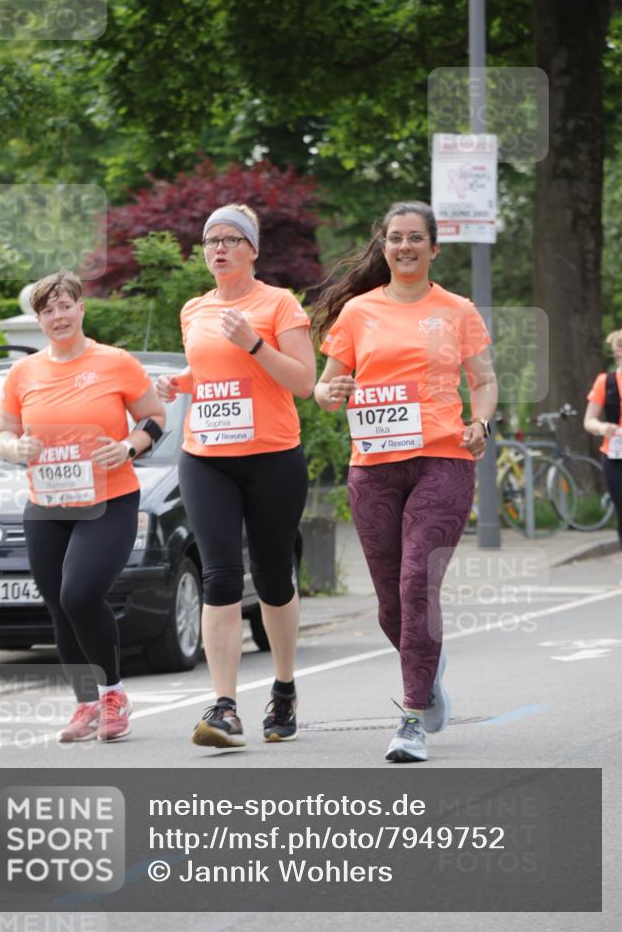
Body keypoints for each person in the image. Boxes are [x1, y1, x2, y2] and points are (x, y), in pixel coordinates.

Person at [313, 201, 497, 763]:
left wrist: (480, 422)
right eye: (396, 238)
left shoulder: (457, 309)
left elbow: (484, 380)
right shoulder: (358, 313)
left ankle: (411, 716)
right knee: (391, 605)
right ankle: (429, 666)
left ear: (434, 248)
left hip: (443, 459)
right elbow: (325, 388)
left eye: (416, 237)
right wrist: (331, 394)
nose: (405, 246)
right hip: (374, 468)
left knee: (417, 582)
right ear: (385, 246)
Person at [156, 203, 315, 749]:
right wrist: (177, 384)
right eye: (210, 240)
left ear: (253, 249)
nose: (218, 248)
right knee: (220, 575)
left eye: (230, 239)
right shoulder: (193, 309)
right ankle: (224, 707)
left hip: (273, 457)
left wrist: (253, 341)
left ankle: (285, 689)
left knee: (272, 578)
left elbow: (303, 382)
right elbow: (208, 373)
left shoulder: (279, 304)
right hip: (206, 458)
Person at [0, 271, 165, 742]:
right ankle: (86, 705)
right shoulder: (22, 372)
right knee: (58, 604)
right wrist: (14, 449)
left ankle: (113, 694)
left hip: (108, 498)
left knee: (80, 593)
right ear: (39, 320)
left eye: (65, 305)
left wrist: (129, 447)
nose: (58, 316)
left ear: (81, 309)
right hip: (47, 503)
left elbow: (154, 417)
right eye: (47, 310)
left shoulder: (115, 362)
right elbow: (3, 432)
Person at [584, 328, 622, 548]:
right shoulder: (605, 382)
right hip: (615, 456)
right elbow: (589, 420)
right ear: (618, 351)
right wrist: (602, 427)